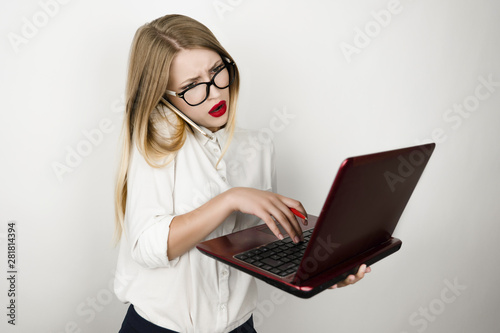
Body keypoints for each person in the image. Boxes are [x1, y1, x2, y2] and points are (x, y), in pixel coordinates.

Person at [113, 14, 370, 333]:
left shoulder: (258, 145)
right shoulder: (155, 142)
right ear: (165, 97)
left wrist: (324, 268)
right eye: (191, 87)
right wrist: (230, 199)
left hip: (238, 326)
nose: (215, 92)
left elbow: (257, 241)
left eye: (217, 71)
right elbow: (147, 247)